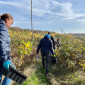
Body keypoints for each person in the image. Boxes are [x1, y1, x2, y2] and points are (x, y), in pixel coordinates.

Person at [0, 13, 15, 85]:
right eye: (10, 23)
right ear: (7, 20)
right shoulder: (3, 27)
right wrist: (5, 59)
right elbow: (1, 43)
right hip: (1, 57)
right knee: (12, 72)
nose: (9, 26)